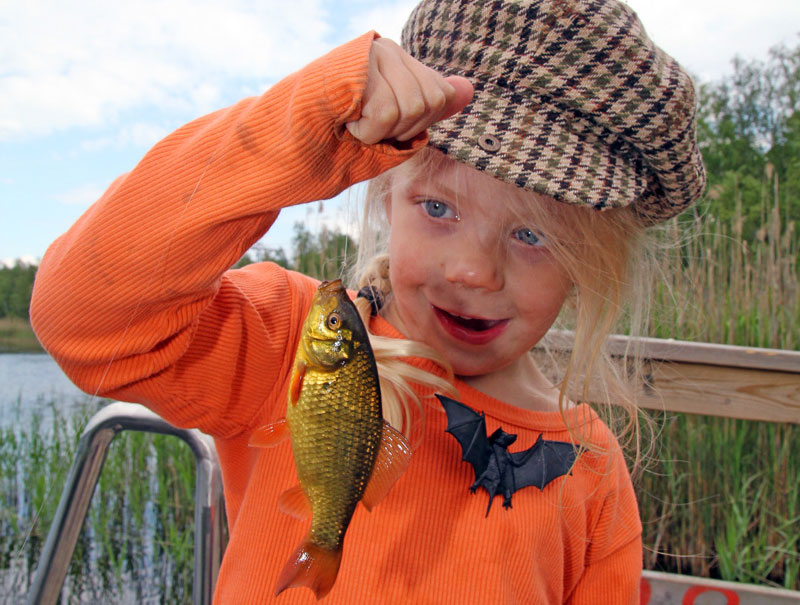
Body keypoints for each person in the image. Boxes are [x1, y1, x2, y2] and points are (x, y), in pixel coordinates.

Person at [30, 0, 705, 602]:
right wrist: (300, 126)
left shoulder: (593, 471)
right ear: (384, 191)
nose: (473, 270)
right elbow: (78, 314)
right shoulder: (289, 340)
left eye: (532, 234)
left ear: (589, 260)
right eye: (437, 206)